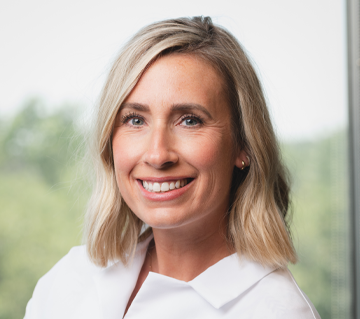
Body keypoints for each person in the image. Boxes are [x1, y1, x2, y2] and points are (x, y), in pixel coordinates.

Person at [24, 16, 320, 319]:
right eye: (135, 120)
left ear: (244, 145)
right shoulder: (69, 278)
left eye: (190, 120)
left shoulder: (276, 311)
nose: (157, 154)